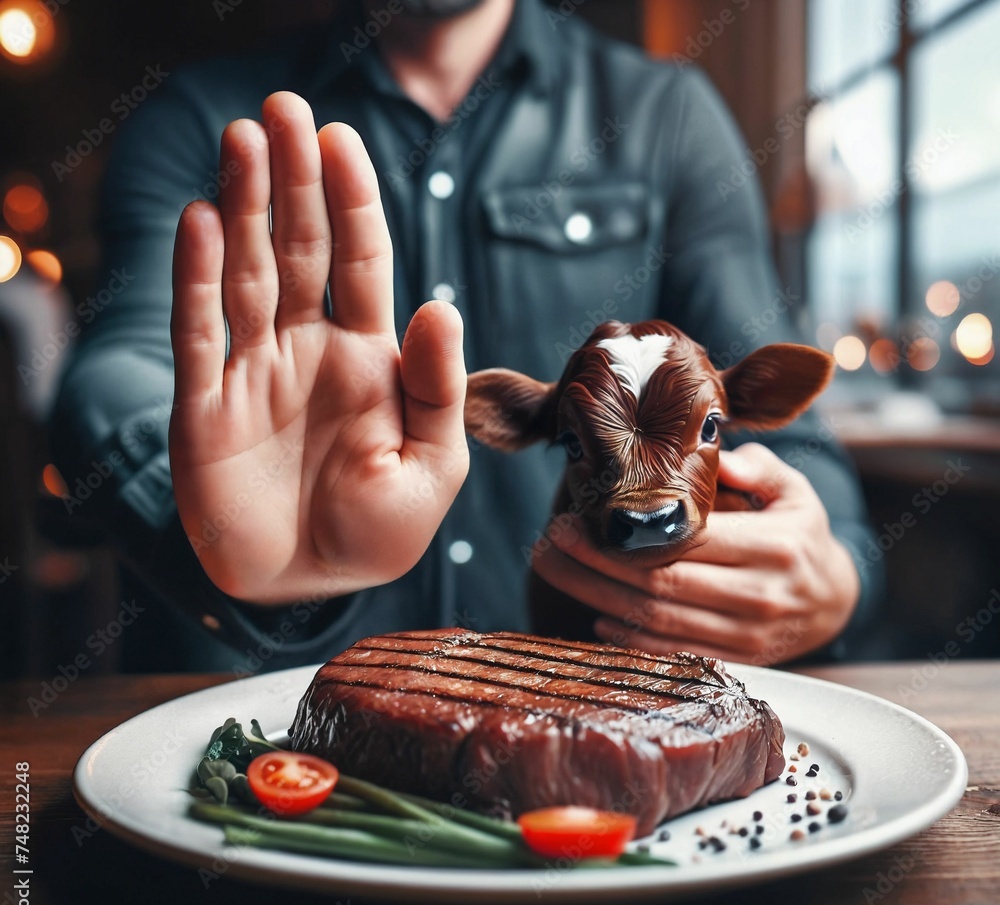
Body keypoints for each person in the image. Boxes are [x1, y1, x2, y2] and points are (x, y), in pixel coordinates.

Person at [52, 0, 879, 674]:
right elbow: (111, 380)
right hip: (282, 768)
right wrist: (216, 519)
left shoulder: (669, 117)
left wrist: (828, 577)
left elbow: (795, 442)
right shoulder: (199, 120)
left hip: (596, 722)